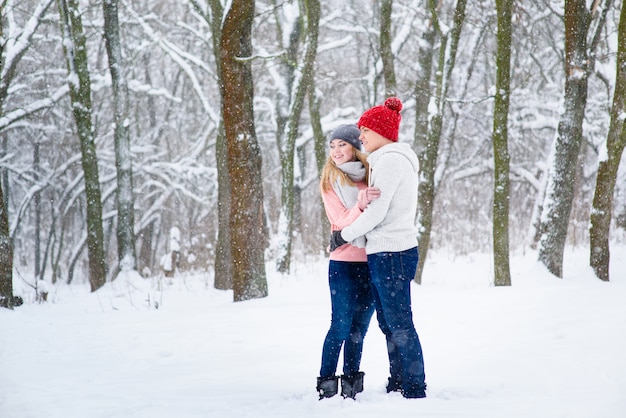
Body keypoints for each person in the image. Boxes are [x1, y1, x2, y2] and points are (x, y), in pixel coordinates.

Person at [329, 97, 427, 399]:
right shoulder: (387, 159)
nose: (361, 138)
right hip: (388, 252)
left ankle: (413, 386)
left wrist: (344, 235)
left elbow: (376, 211)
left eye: (365, 131)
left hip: (392, 253)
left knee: (399, 323)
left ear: (381, 131)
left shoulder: (389, 159)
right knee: (389, 322)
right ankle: (398, 381)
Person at [316, 124, 380, 400]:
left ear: (355, 147)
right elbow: (339, 224)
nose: (336, 151)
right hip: (342, 263)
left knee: (359, 328)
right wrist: (361, 205)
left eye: (342, 145)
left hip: (372, 261)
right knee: (340, 325)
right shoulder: (331, 181)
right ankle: (327, 384)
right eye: (332, 146)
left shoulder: (372, 175)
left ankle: (351, 384)